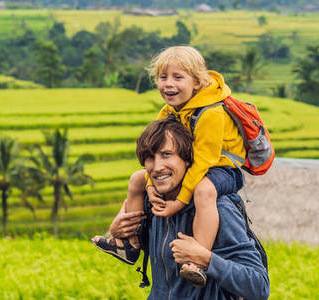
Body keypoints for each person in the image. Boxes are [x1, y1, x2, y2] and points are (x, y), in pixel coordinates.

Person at [92, 46, 246, 286]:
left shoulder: (211, 113)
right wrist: (151, 187)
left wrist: (179, 202)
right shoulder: (169, 111)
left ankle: (196, 259)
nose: (168, 84)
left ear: (196, 82)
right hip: (191, 165)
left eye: (177, 77)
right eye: (163, 77)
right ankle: (128, 244)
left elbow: (204, 161)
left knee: (204, 190)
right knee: (136, 179)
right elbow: (152, 149)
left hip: (223, 168)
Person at [110, 118, 269, 299]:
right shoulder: (154, 203)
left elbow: (259, 286)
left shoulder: (218, 208)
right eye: (150, 157)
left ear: (187, 159)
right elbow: (158, 255)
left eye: (166, 154)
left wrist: (207, 260)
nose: (157, 167)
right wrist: (119, 233)